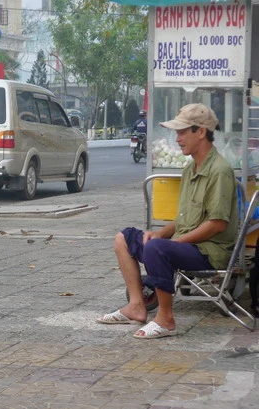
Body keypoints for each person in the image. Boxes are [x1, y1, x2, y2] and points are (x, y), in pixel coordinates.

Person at [97, 103, 238, 339]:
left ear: (201, 132)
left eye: (182, 132)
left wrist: (176, 242)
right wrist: (162, 234)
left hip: (209, 252)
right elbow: (184, 218)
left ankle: (166, 318)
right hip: (187, 245)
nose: (178, 138)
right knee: (125, 238)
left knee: (156, 249)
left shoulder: (219, 170)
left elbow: (217, 224)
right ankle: (136, 306)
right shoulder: (191, 168)